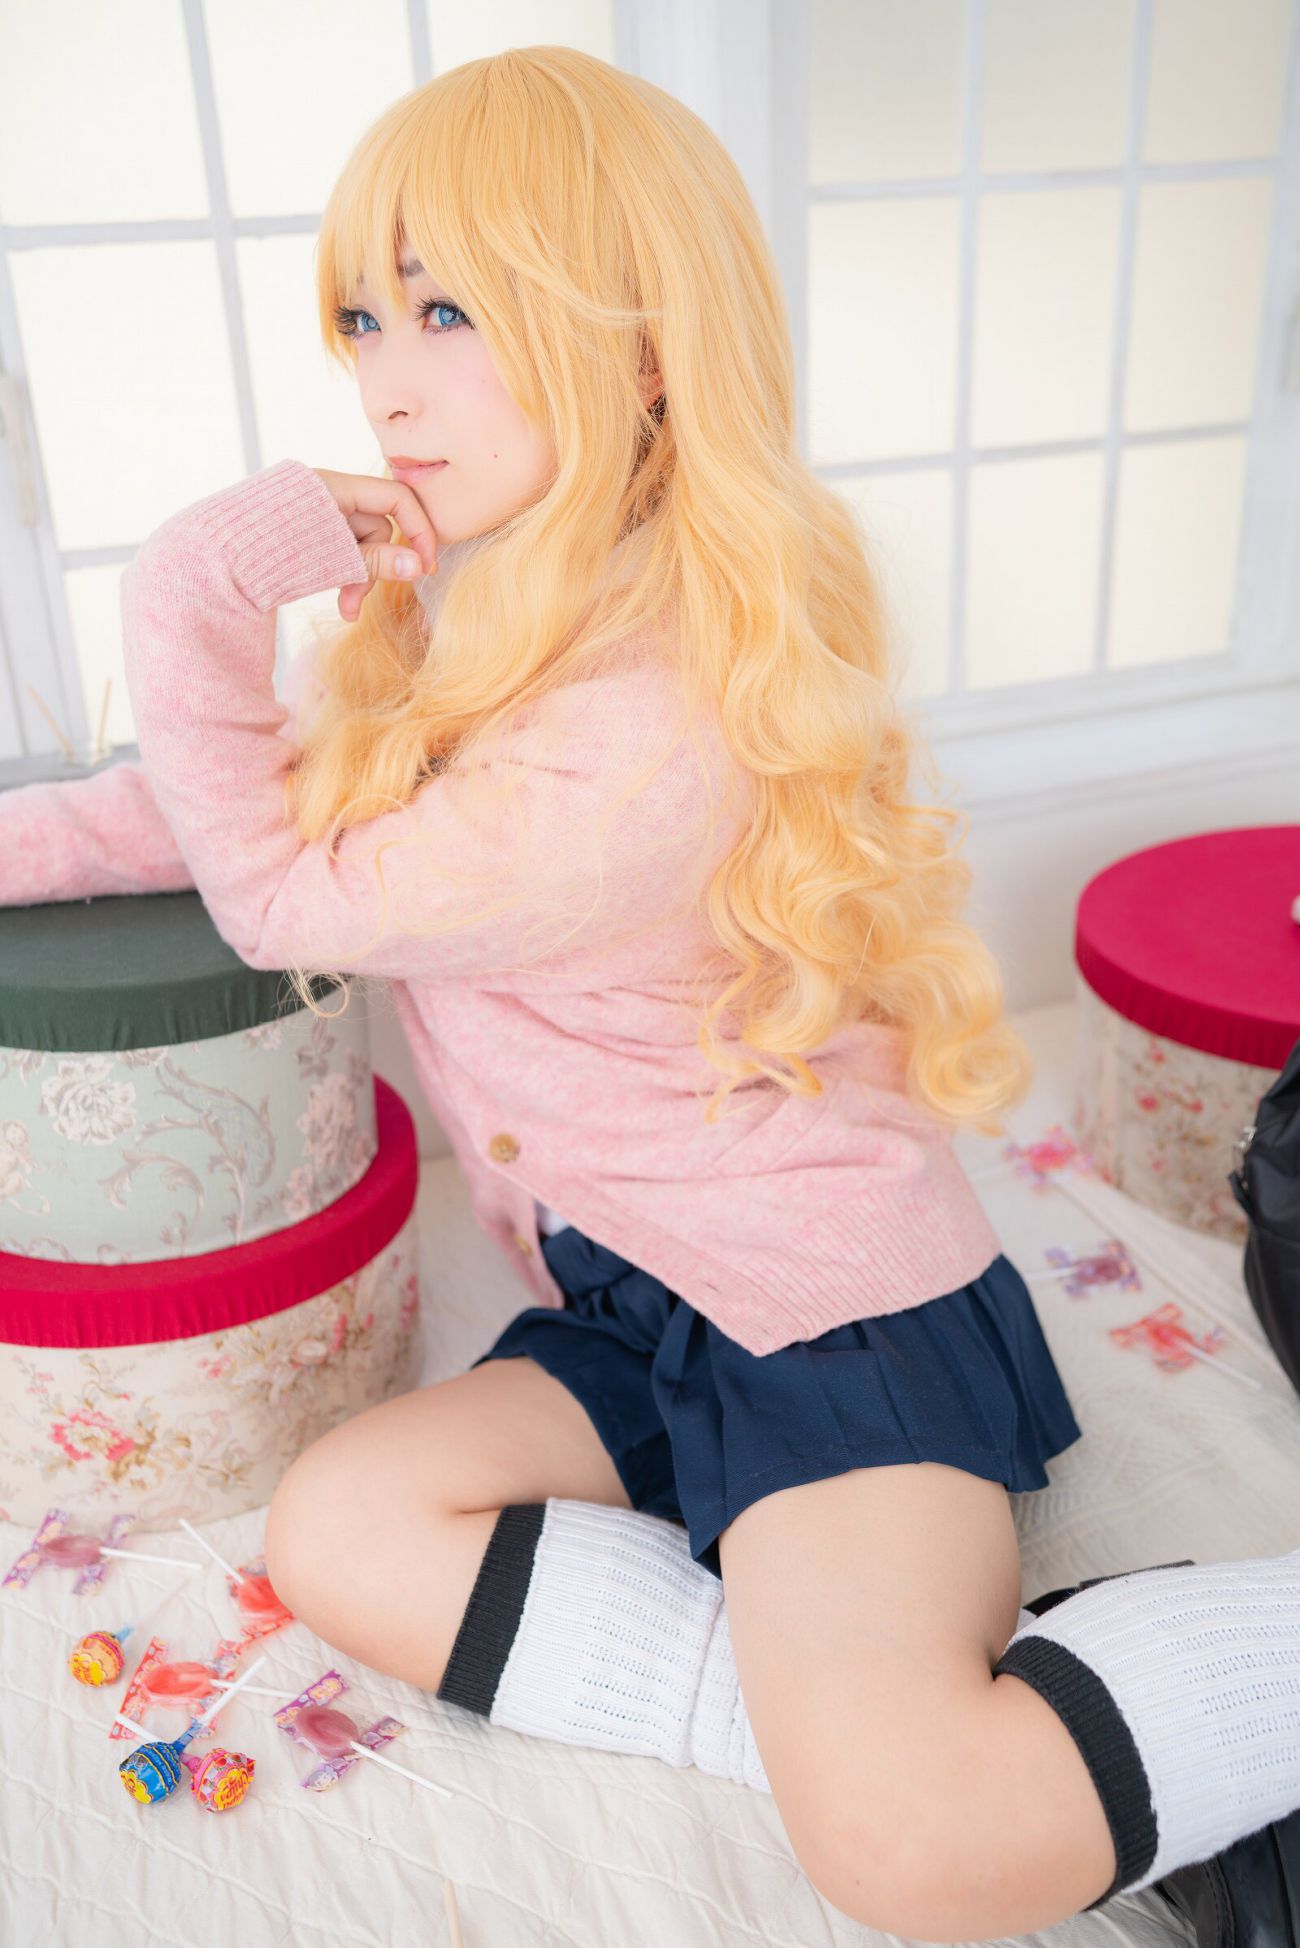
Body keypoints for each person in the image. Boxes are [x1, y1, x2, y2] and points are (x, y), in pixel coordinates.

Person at [4, 44, 1295, 1944]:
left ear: (641, 345)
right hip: (639, 1295)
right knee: (342, 1525)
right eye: (364, 318)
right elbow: (243, 797)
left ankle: (980, 1729)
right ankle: (838, 1704)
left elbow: (281, 887)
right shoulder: (503, 610)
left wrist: (195, 583)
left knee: (916, 1850)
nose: (386, 380)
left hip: (825, 1314)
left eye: (451, 310)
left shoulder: (647, 726)